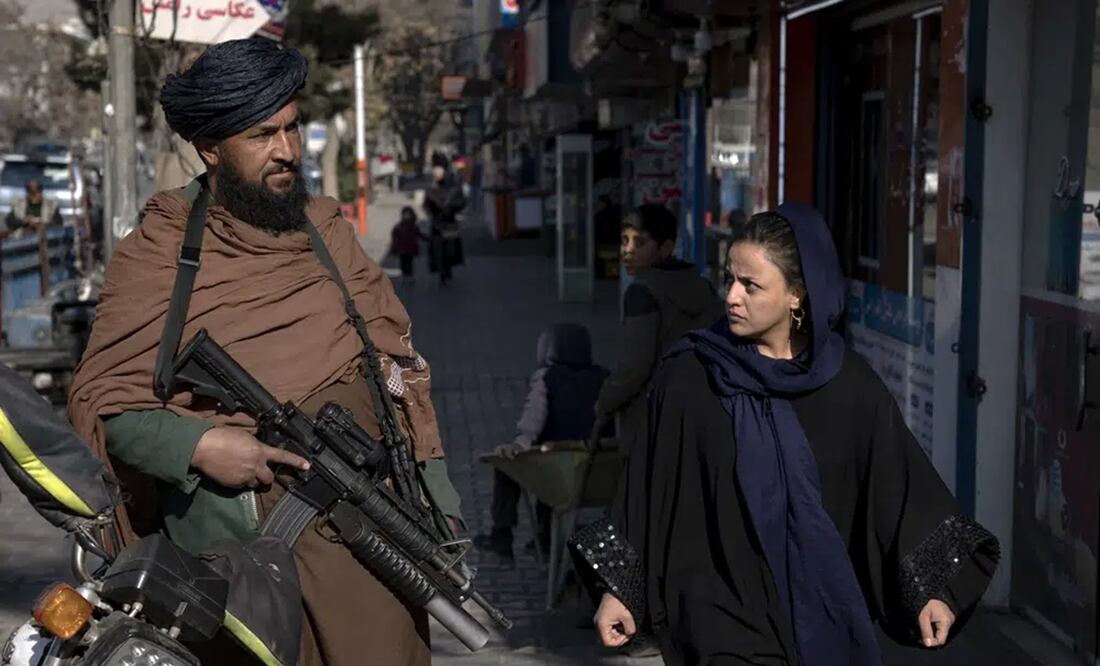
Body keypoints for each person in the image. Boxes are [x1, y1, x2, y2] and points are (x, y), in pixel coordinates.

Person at [67, 38, 464, 666]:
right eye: (261, 135)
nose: (285, 150)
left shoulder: (328, 232)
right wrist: (198, 447)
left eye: (291, 127)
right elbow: (105, 405)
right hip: (240, 565)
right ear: (210, 148)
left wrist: (442, 516)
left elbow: (399, 375)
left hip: (369, 544)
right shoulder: (160, 252)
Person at [573, 204, 1000, 665]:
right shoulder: (691, 377)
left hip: (820, 614)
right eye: (729, 279)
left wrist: (933, 592)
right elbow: (646, 489)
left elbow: (898, 490)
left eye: (751, 285)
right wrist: (619, 591)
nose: (732, 296)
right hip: (716, 615)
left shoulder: (848, 385)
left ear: (797, 294)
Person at [594, 203, 724, 457]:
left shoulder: (642, 293)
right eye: (624, 240)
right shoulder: (703, 287)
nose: (627, 251)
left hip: (652, 419)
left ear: (665, 248)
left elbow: (636, 365)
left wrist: (606, 402)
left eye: (640, 243)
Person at [475, 323, 609, 562]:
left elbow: (533, 419)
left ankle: (502, 536)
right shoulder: (605, 378)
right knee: (550, 464)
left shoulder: (548, 377)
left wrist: (519, 444)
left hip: (558, 465)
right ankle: (545, 537)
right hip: (596, 469)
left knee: (510, 464)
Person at [424, 154, 466, 286]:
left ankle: (447, 269)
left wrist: (451, 208)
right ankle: (442, 273)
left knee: (449, 249)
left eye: (438, 170)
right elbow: (426, 205)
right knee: (438, 250)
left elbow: (461, 201)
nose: (435, 173)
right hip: (437, 223)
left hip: (449, 223)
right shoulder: (431, 187)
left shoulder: (452, 185)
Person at [391, 205, 427, 285]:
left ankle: (410, 277)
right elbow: (394, 238)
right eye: (405, 214)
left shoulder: (413, 226)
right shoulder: (398, 227)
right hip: (402, 249)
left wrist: (427, 238)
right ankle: (405, 276)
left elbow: (419, 234)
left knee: (409, 263)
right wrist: (394, 248)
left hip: (410, 248)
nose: (406, 216)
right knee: (403, 263)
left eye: (408, 214)